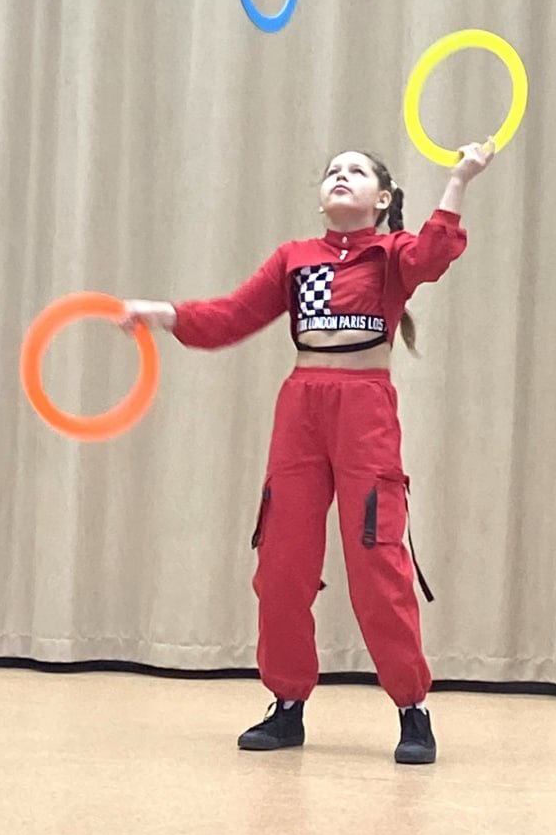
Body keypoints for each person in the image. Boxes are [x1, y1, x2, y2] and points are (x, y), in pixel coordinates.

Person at [121, 143, 494, 763]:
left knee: (378, 562)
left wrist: (459, 179)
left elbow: (434, 255)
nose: (340, 176)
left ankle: (412, 708)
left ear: (382, 199)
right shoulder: (293, 259)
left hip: (366, 413)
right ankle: (287, 703)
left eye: (356, 171)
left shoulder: (392, 254)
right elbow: (232, 316)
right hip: (300, 412)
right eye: (332, 171)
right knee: (282, 563)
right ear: (321, 198)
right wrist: (163, 314)